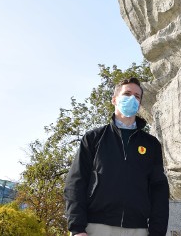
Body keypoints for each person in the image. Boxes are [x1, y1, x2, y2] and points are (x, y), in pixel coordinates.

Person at [64, 77, 169, 236]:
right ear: (114, 99)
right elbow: (75, 183)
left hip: (138, 229)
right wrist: (77, 228)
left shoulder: (152, 144)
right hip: (95, 227)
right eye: (127, 94)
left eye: (137, 96)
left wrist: (157, 232)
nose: (132, 98)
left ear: (140, 104)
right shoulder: (93, 138)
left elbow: (159, 191)